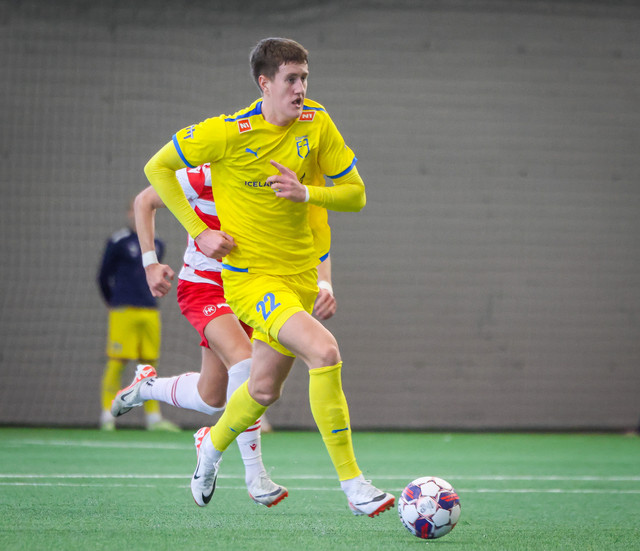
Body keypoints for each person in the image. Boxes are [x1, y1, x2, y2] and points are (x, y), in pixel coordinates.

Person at [142, 37, 394, 517]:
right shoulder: (226, 132)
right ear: (265, 83)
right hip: (251, 279)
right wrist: (198, 230)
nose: (301, 89)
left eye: (305, 78)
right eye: (291, 79)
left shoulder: (316, 122)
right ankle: (354, 485)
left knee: (261, 390)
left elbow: (356, 194)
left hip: (299, 277)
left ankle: (210, 446)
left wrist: (308, 193)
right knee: (325, 352)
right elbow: (157, 168)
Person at [112, 163, 336, 505]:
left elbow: (312, 230)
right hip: (204, 287)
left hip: (253, 290)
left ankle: (147, 387)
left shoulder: (278, 177)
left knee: (211, 398)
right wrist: (150, 264)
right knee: (245, 365)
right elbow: (145, 201)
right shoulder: (207, 173)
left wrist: (324, 282)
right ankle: (255, 475)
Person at [96, 200, 179, 432]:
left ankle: (153, 418)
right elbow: (103, 276)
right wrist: (113, 302)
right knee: (117, 361)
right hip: (124, 310)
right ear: (129, 213)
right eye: (134, 210)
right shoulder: (118, 241)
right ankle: (108, 415)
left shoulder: (158, 243)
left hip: (150, 310)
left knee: (149, 363)